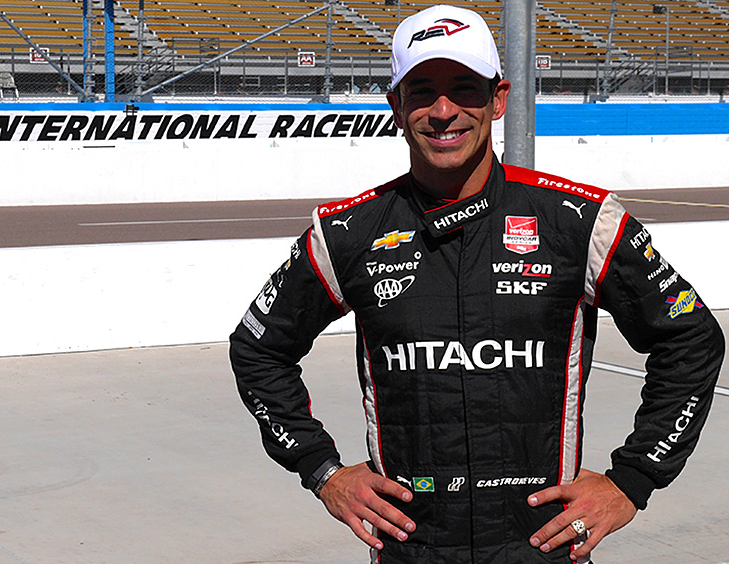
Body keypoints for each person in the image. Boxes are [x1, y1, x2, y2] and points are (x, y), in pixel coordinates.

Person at [229, 4, 724, 564]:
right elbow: (257, 347)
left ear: (499, 99)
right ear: (395, 105)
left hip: (542, 549)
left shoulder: (578, 220)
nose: (444, 112)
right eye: (421, 91)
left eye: (465, 88)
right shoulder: (348, 232)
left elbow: (692, 339)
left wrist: (633, 479)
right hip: (412, 551)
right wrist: (322, 470)